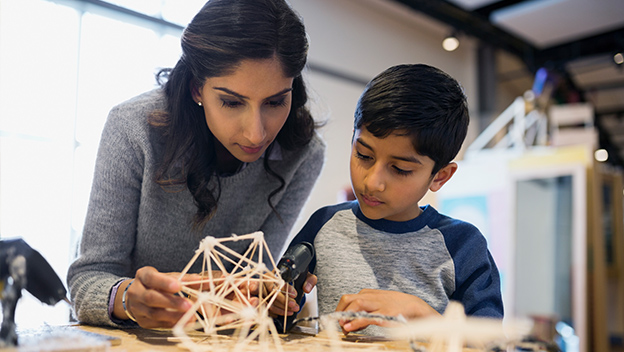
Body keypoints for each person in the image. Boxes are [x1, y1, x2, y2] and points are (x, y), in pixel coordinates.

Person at [67, 0, 325, 329]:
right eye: (232, 102)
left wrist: (274, 297)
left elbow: (258, 280)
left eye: (276, 102)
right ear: (196, 88)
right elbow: (88, 280)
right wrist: (127, 298)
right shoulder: (133, 129)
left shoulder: (302, 155)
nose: (256, 133)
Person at [284, 64, 503, 336]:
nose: (372, 182)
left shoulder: (463, 245)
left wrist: (421, 313)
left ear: (440, 176)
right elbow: (279, 318)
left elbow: (491, 343)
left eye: (400, 169)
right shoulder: (324, 224)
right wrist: (276, 302)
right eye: (363, 155)